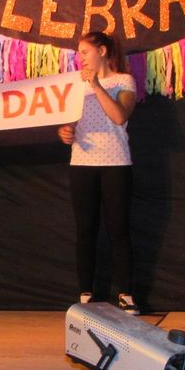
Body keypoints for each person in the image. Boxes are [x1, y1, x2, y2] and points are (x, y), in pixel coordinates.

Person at [57, 31, 139, 315]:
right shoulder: (75, 85)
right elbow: (69, 122)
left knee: (119, 230)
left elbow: (119, 116)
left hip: (116, 162)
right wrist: (65, 131)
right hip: (82, 163)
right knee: (85, 230)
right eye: (78, 53)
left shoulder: (123, 81)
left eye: (85, 52)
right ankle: (85, 293)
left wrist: (96, 85)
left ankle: (125, 293)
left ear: (102, 51)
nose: (80, 58)